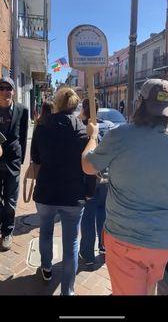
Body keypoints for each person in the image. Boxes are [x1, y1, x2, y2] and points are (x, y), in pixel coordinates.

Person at [81, 78, 168, 295]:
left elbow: (88, 166)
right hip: (164, 242)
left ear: (140, 103)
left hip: (125, 239)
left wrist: (92, 137)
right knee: (148, 287)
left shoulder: (120, 135)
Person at [31, 87, 88, 295]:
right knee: (71, 241)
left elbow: (36, 159)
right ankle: (68, 291)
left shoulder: (41, 127)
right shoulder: (83, 131)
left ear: (57, 103)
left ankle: (46, 268)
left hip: (46, 191)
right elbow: (89, 166)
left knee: (45, 232)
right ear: (74, 106)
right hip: (73, 195)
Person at [78, 98, 108, 265]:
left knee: (88, 216)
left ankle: (87, 254)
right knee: (102, 212)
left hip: (89, 180)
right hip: (106, 178)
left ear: (84, 108)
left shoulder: (80, 127)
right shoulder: (108, 126)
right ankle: (103, 246)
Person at [0, 77, 28, 251]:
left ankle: (7, 232)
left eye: (8, 88)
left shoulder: (21, 110)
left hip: (13, 163)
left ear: (13, 91)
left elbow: (23, 137)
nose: (5, 91)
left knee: (10, 202)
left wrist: (21, 159)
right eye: (1, 88)